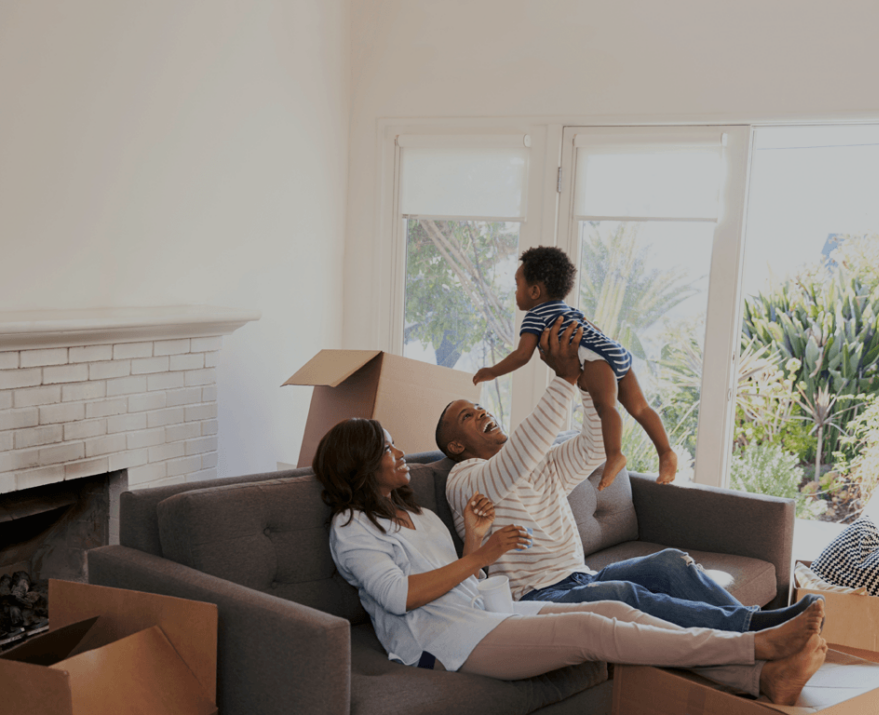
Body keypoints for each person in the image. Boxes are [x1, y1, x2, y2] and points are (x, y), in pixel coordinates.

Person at [313, 416, 828, 704]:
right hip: (442, 642)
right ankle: (751, 645)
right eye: (386, 446)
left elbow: (463, 581)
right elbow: (402, 596)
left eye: (396, 440)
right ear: (359, 464)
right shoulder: (352, 529)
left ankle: (759, 679)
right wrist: (483, 555)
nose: (399, 452)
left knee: (618, 613)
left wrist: (474, 541)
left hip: (481, 615)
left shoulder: (418, 515)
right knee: (590, 630)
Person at [442, 315, 823, 633]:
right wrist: (563, 379)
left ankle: (759, 624)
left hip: (581, 577)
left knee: (671, 561)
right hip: (536, 597)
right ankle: (756, 631)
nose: (483, 413)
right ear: (456, 445)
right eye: (468, 416)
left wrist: (591, 386)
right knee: (625, 594)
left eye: (481, 407)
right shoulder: (464, 479)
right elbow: (514, 464)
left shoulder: (539, 462)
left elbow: (592, 448)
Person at [472, 246, 676, 488]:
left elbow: (522, 355)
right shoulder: (570, 310)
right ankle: (665, 452)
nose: (515, 292)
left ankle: (614, 455)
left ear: (535, 291)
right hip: (614, 349)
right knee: (641, 408)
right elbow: (595, 330)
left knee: (606, 406)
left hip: (594, 356)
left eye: (517, 285)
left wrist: (492, 371)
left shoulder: (535, 316)